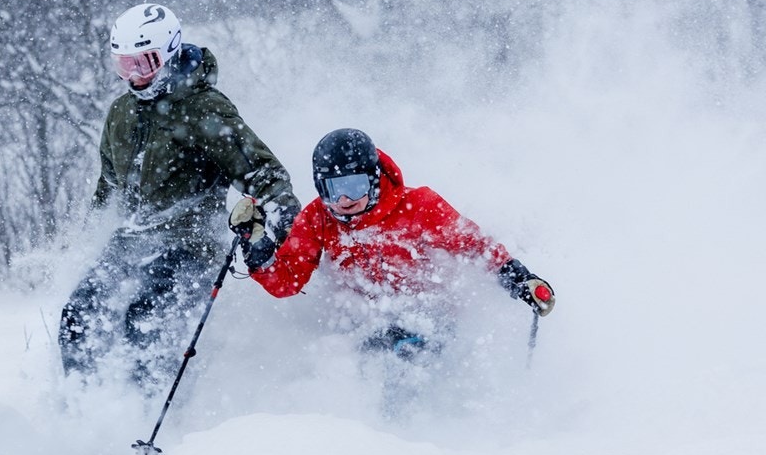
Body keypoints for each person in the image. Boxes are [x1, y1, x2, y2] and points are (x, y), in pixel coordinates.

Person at [59, 2, 299, 383]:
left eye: (145, 63)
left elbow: (263, 172)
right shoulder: (120, 113)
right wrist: (90, 237)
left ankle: (149, 404)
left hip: (190, 245)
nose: (135, 77)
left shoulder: (203, 109)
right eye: (125, 65)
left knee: (144, 318)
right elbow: (108, 188)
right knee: (77, 316)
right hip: (131, 240)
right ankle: (82, 401)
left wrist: (277, 224)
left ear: (170, 52)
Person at [229, 126, 553, 359]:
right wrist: (254, 243)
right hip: (363, 326)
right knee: (366, 358)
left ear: (372, 178)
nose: (343, 200)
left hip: (427, 318)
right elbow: (287, 280)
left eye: (354, 186)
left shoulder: (418, 206)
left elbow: (475, 246)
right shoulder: (318, 218)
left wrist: (519, 278)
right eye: (332, 189)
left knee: (405, 356)